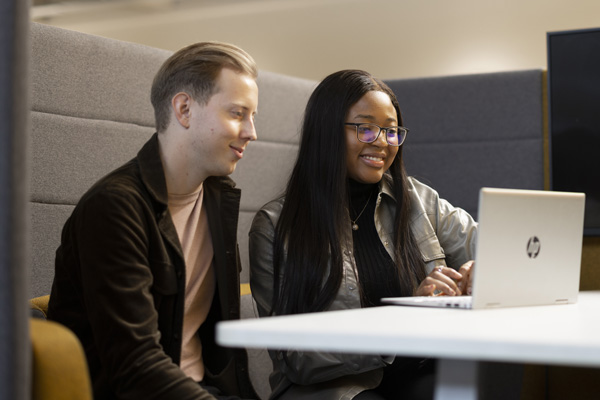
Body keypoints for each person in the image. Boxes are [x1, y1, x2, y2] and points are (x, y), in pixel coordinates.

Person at [47, 41, 260, 400]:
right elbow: (135, 366)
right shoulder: (115, 208)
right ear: (184, 108)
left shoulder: (217, 198)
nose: (251, 132)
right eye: (238, 113)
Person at [248, 69, 478, 400]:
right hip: (333, 389)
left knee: (476, 384)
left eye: (391, 130)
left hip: (417, 372)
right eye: (366, 129)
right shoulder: (276, 226)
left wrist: (479, 272)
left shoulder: (416, 200)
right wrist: (400, 325)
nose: (383, 142)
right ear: (326, 132)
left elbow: (491, 247)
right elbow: (295, 358)